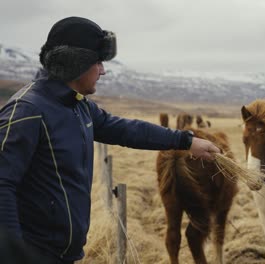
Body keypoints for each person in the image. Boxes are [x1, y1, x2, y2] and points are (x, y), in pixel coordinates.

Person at [0, 16, 221, 264]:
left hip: (63, 255)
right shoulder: (28, 111)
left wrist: (186, 141)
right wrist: (13, 254)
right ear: (75, 63)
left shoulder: (78, 105)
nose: (103, 71)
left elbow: (126, 130)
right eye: (98, 62)